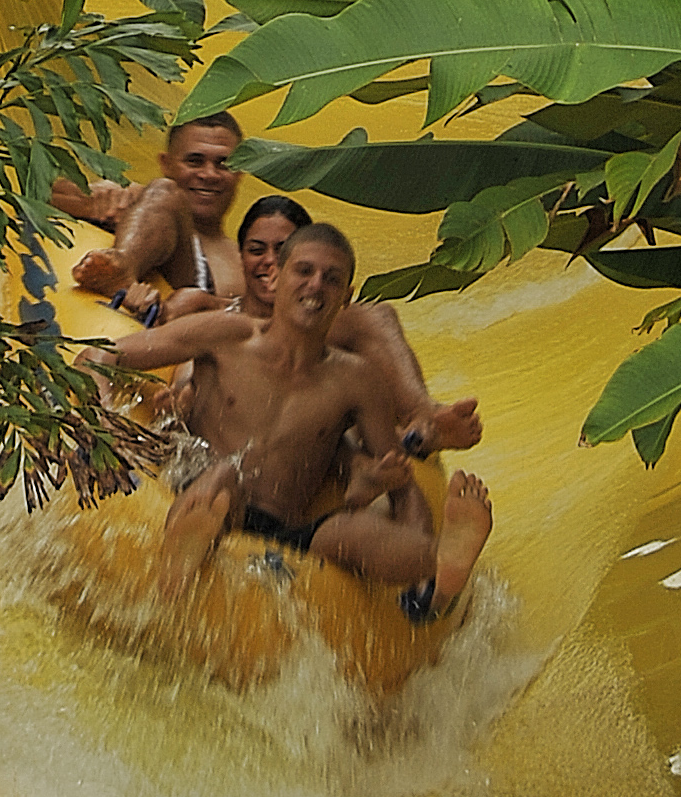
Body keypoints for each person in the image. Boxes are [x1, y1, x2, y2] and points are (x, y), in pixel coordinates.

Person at [80, 223, 493, 623]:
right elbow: (102, 355)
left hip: (286, 530)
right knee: (227, 477)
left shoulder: (356, 379)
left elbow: (402, 486)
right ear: (276, 278)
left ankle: (440, 560)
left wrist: (411, 531)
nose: (316, 286)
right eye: (304, 271)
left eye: (332, 279)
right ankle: (181, 558)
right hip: (200, 490)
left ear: (346, 296)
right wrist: (98, 418)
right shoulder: (228, 335)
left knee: (349, 532)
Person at [166, 194, 482, 456]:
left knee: (374, 316)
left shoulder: (335, 327)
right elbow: (185, 357)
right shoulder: (215, 314)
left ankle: (424, 415)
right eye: (256, 250)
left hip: (309, 438)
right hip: (229, 442)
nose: (269, 262)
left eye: (282, 251)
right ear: (240, 255)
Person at [51, 112, 245, 312]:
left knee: (164, 192)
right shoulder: (135, 204)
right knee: (162, 192)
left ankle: (122, 269)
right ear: (165, 163)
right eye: (194, 161)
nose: (209, 174)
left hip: (187, 325)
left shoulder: (249, 258)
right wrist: (97, 203)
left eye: (223, 164)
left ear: (241, 171)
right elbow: (38, 194)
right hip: (107, 322)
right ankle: (122, 265)